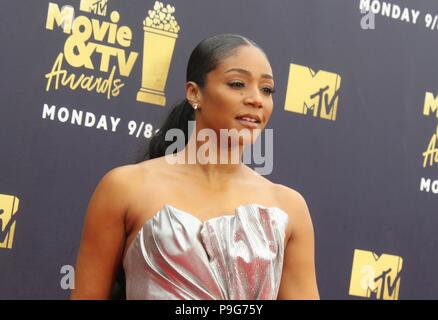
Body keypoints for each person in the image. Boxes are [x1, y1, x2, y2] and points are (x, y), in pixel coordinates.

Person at [70, 33, 319, 300]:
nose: (256, 99)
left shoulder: (288, 207)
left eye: (267, 89)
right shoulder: (125, 188)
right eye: (237, 84)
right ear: (194, 92)